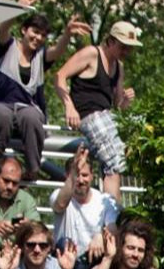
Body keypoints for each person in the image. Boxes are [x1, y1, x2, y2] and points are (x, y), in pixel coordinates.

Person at [0, 0, 81, 176]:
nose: (38, 38)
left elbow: (58, 51)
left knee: (32, 117)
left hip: (26, 110)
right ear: (23, 31)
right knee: (2, 115)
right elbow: (2, 29)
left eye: (43, 35)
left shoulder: (40, 57)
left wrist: (67, 33)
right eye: (35, 32)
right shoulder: (8, 46)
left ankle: (33, 169)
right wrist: (19, 7)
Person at [53, 20, 139, 200]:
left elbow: (118, 106)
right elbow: (60, 76)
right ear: (111, 41)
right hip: (88, 115)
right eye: (123, 47)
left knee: (130, 145)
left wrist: (126, 100)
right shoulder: (92, 54)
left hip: (107, 115)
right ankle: (114, 212)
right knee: (114, 162)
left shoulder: (118, 67)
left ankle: (111, 205)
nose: (126, 52)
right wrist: (69, 106)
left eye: (129, 48)